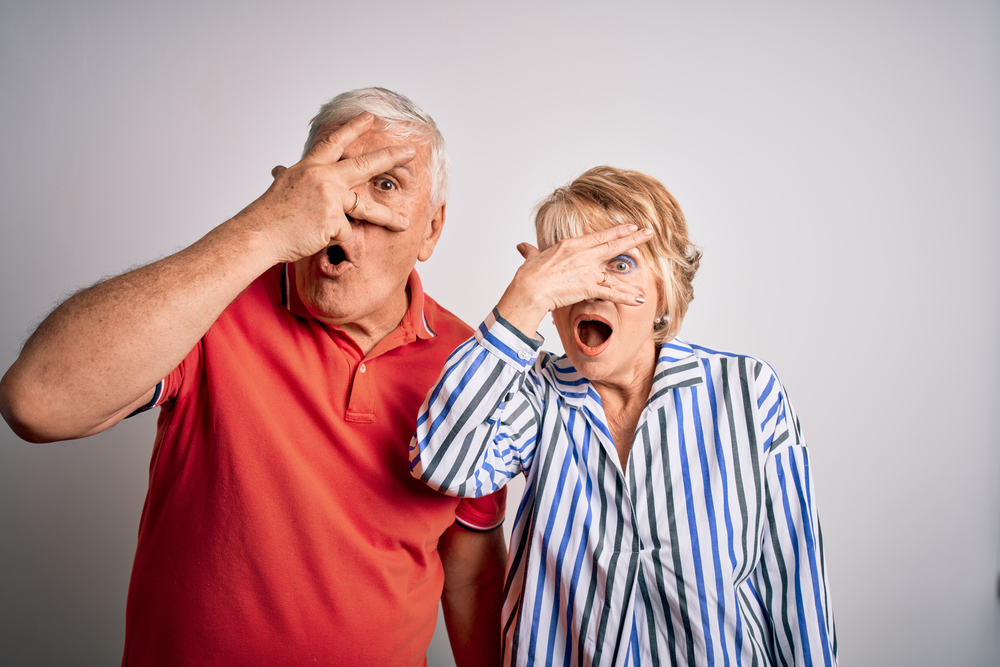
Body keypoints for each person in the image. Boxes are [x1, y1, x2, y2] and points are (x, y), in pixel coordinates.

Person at [0, 88, 507, 667]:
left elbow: (470, 575)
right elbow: (35, 401)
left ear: (432, 230)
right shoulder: (211, 305)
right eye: (330, 174)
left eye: (386, 184)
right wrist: (263, 228)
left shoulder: (475, 365)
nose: (347, 205)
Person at [410, 166, 837, 666]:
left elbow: (793, 579)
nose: (593, 289)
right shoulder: (534, 396)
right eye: (569, 269)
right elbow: (441, 464)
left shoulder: (747, 392)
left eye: (619, 264)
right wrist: (522, 302)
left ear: (664, 286)